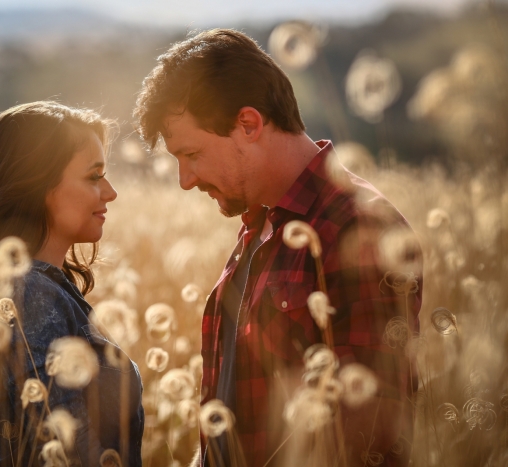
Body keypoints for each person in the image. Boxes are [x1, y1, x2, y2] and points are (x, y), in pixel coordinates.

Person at [134, 29, 422, 467]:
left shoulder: (359, 229)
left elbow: (369, 431)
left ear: (248, 124)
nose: (185, 179)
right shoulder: (261, 221)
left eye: (191, 154)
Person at [0, 102, 144, 467]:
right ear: (38, 184)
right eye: (94, 177)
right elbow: (63, 448)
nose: (110, 192)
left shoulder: (44, 288)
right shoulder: (28, 294)